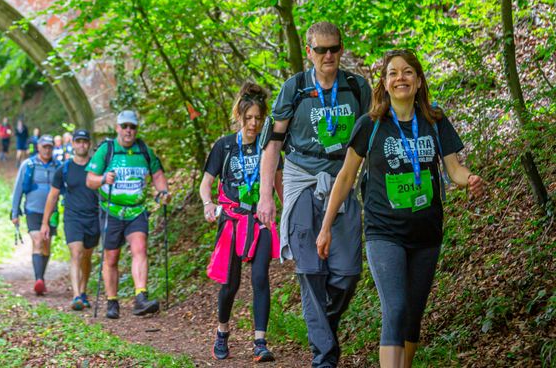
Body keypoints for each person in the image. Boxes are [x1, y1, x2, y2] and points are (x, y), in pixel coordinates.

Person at [316, 49, 485, 368]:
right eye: (393, 73)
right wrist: (325, 227)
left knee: (412, 316)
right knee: (394, 310)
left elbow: (454, 169)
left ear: (419, 81)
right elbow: (346, 177)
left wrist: (470, 179)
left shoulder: (435, 121)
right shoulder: (371, 124)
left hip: (427, 235)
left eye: (408, 72)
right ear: (384, 82)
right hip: (384, 233)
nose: (401, 78)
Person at [257, 21, 372, 368]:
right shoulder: (294, 88)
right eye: (320, 50)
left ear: (341, 49)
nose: (328, 56)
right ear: (309, 52)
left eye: (333, 49)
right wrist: (266, 196)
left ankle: (323, 327)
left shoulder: (356, 87)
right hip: (301, 177)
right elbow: (272, 144)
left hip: (342, 178)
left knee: (348, 272)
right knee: (310, 270)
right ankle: (325, 358)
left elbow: (372, 132)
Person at [200, 82, 281, 362]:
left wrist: (288, 214)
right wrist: (208, 203)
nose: (254, 124)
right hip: (232, 221)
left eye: (259, 118)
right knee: (231, 284)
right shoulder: (224, 146)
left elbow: (280, 184)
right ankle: (222, 332)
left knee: (260, 278)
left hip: (260, 219)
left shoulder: (269, 147)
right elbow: (206, 183)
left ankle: (260, 341)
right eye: (249, 118)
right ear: (239, 115)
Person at [86, 109, 169, 319]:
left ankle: (141, 297)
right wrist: (104, 179)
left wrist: (163, 191)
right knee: (111, 257)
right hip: (111, 210)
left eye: (132, 127)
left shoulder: (144, 150)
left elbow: (157, 173)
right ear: (117, 128)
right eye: (125, 126)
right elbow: (90, 180)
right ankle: (112, 301)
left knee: (140, 248)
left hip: (137, 210)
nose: (128, 131)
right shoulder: (107, 149)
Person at [41, 129, 98, 311]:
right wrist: (45, 223)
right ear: (72, 144)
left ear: (88, 145)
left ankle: (83, 291)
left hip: (93, 216)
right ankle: (75, 296)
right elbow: (52, 196)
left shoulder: (96, 168)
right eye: (78, 141)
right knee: (76, 252)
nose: (81, 145)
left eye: (84, 141)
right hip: (73, 217)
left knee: (87, 256)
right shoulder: (64, 169)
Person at [10, 135, 60, 295]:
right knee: (38, 240)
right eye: (44, 146)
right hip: (33, 210)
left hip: (52, 213)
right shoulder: (28, 165)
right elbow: (18, 188)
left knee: (46, 244)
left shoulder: (58, 166)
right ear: (38, 147)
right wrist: (15, 211)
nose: (47, 150)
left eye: (50, 147)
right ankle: (38, 280)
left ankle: (41, 278)